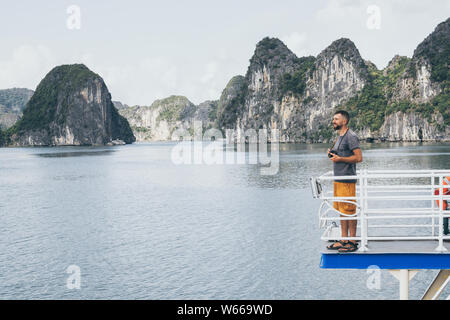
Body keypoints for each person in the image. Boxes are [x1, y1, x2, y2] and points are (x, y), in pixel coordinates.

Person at [326, 110, 363, 253]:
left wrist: (340, 159)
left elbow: (359, 158)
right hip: (339, 180)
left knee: (350, 210)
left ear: (344, 121)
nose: (333, 121)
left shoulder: (351, 136)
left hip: (347, 180)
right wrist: (332, 154)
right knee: (342, 211)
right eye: (333, 119)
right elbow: (340, 155)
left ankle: (352, 241)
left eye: (336, 119)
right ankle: (344, 239)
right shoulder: (340, 137)